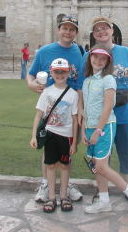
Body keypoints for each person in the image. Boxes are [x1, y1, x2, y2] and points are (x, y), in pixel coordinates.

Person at [78, 16, 128, 203]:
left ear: (112, 31)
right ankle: (102, 190)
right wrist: (82, 111)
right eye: (97, 29)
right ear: (93, 34)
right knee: (101, 156)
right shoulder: (88, 55)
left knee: (126, 152)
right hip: (98, 116)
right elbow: (84, 85)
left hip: (125, 112)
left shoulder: (126, 52)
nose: (101, 32)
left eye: (105, 28)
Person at [27, 15, 84, 203]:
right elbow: (30, 75)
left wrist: (80, 107)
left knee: (68, 150)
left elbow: (81, 83)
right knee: (48, 152)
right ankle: (46, 184)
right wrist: (32, 85)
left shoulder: (80, 52)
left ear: (76, 32)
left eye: (72, 29)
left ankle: (66, 186)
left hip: (70, 106)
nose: (68, 32)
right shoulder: (45, 51)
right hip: (49, 107)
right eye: (64, 28)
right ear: (58, 30)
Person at [29, 58, 79, 213]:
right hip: (50, 134)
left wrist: (74, 142)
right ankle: (51, 197)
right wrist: (33, 136)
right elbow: (39, 115)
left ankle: (64, 196)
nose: (60, 75)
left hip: (66, 136)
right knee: (50, 165)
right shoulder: (46, 92)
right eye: (56, 72)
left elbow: (75, 118)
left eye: (63, 72)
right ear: (51, 73)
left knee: (64, 167)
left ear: (68, 72)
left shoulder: (73, 94)